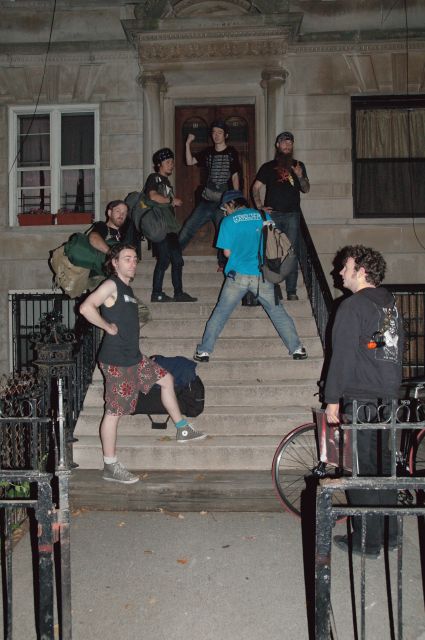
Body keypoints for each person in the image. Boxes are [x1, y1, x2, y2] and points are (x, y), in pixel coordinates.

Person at [79, 243, 206, 484]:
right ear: (115, 262)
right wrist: (107, 327)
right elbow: (86, 307)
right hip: (117, 361)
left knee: (166, 379)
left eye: (135, 258)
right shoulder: (110, 284)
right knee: (114, 412)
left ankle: (182, 428)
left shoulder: (126, 289)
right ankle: (110, 465)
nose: (133, 262)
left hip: (134, 357)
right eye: (127, 258)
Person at [324, 245, 403, 558]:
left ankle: (368, 542)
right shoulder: (388, 305)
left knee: (360, 471)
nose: (340, 272)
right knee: (384, 469)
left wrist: (332, 400)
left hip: (362, 398)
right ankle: (390, 535)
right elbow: (380, 342)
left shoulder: (353, 306)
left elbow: (341, 356)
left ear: (361, 271)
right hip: (388, 398)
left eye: (345, 267)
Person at [193, 190, 307, 363]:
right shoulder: (263, 215)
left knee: (221, 313)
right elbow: (274, 241)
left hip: (237, 276)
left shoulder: (228, 221)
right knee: (277, 313)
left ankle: (204, 351)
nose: (224, 211)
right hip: (262, 275)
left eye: (225, 208)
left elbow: (227, 253)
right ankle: (297, 349)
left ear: (232, 204)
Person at [252, 131, 310, 301]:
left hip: (292, 215)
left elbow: (306, 189)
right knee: (272, 252)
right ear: (277, 145)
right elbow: (255, 188)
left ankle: (291, 291)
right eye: (284, 142)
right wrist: (260, 207)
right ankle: (273, 288)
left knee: (291, 253)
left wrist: (300, 176)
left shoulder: (299, 165)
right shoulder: (268, 166)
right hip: (273, 216)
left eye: (290, 142)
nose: (287, 145)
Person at [179, 120, 241, 269]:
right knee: (189, 226)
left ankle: (223, 263)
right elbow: (189, 161)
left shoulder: (231, 152)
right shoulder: (208, 152)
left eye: (219, 132)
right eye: (214, 132)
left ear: (226, 135)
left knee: (224, 231)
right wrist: (188, 143)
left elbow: (235, 176)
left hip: (223, 202)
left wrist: (235, 199)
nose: (216, 135)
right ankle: (173, 254)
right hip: (207, 201)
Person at [144, 148, 197, 303]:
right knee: (168, 260)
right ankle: (160, 293)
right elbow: (152, 196)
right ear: (159, 164)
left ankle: (173, 293)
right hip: (161, 227)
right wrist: (171, 200)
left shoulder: (166, 182)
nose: (171, 165)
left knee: (172, 260)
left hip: (169, 228)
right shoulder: (154, 178)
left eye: (172, 162)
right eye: (168, 162)